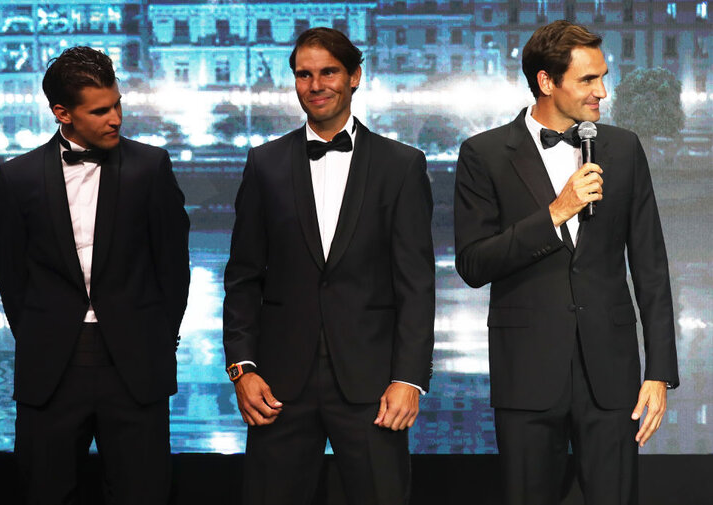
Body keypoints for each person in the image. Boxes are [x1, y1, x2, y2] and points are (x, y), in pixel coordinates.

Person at [454, 20, 678, 505]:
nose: (603, 90)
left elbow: (651, 268)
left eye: (603, 76)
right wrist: (555, 214)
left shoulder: (623, 148)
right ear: (546, 82)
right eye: (588, 80)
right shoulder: (484, 153)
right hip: (527, 379)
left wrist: (659, 371)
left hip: (612, 379)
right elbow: (473, 263)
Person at [223, 27, 435, 505]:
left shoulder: (402, 165)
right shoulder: (264, 163)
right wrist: (242, 368)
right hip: (278, 386)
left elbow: (417, 285)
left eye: (328, 72)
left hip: (373, 386)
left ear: (355, 76)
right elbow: (241, 279)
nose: (315, 84)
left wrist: (409, 378)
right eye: (304, 74)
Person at [0, 46, 190, 504]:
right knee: (46, 492)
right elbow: (11, 277)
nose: (115, 118)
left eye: (117, 104)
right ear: (62, 113)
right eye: (100, 110)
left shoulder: (151, 167)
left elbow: (174, 269)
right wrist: (44, 336)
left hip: (136, 368)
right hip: (51, 372)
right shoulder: (17, 177)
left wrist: (159, 339)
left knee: (144, 493)